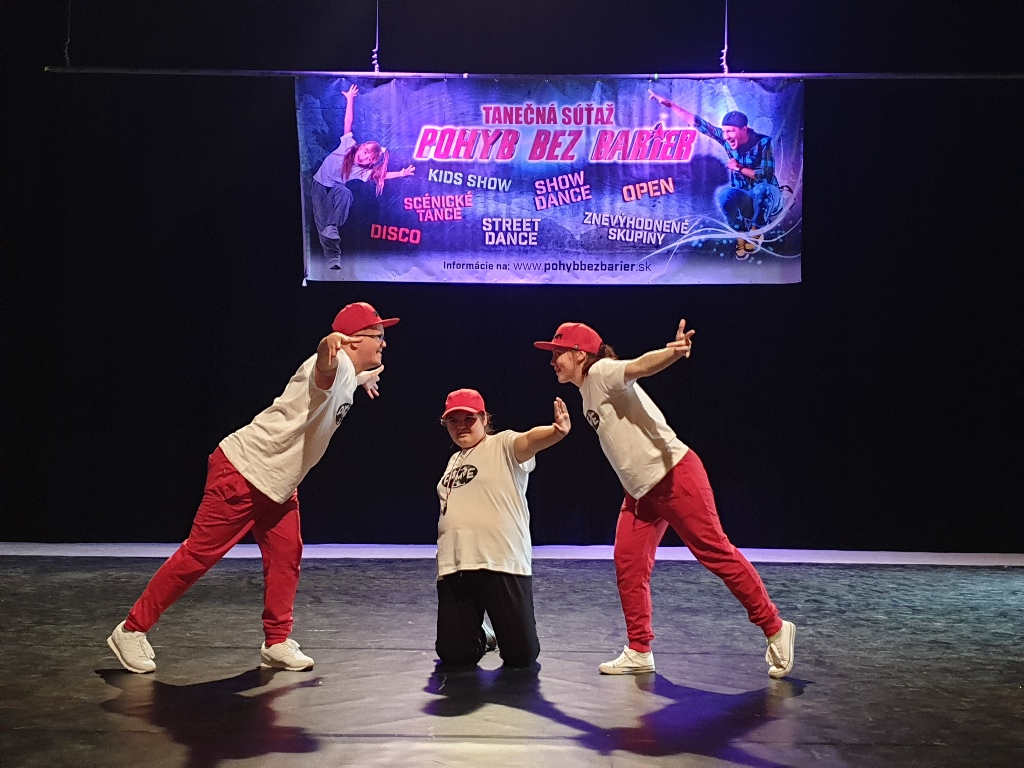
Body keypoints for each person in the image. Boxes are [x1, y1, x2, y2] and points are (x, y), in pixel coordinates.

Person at [107, 301, 398, 674]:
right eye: (378, 336)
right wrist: (327, 346)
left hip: (278, 484)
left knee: (286, 556)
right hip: (244, 472)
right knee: (198, 556)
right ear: (353, 340)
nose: (383, 343)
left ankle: (276, 642)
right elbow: (325, 368)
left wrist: (362, 379)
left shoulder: (349, 372)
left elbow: (339, 380)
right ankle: (131, 629)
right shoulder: (333, 364)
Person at [533, 321, 796, 679]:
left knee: (716, 553)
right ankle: (639, 649)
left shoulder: (602, 372)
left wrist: (673, 352)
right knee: (629, 565)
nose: (553, 360)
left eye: (558, 352)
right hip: (640, 493)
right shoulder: (586, 392)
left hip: (674, 476)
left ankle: (776, 627)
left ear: (580, 354)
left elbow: (640, 366)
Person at [435, 388, 570, 668]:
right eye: (453, 421)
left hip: (501, 561)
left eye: (469, 419)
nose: (461, 426)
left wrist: (555, 432)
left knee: (521, 656)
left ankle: (502, 635)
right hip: (457, 565)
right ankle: (483, 635)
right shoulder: (452, 461)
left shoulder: (503, 445)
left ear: (484, 419)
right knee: (454, 654)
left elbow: (528, 440)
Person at [649, 90, 783, 260]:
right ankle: (741, 234)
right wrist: (671, 105)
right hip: (745, 198)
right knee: (724, 194)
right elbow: (699, 123)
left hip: (769, 198)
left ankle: (756, 231)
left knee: (761, 188)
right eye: (724, 132)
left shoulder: (763, 142)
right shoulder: (726, 138)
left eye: (731, 131)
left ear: (744, 130)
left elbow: (766, 176)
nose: (726, 136)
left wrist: (738, 168)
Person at [312, 84, 416, 270]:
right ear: (361, 147)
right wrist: (350, 99)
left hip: (335, 191)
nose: (364, 157)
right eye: (365, 152)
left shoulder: (361, 171)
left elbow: (381, 175)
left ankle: (334, 254)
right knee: (321, 223)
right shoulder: (348, 146)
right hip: (319, 186)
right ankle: (330, 245)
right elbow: (348, 122)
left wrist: (401, 173)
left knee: (344, 194)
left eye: (369, 159)